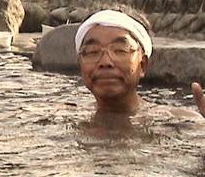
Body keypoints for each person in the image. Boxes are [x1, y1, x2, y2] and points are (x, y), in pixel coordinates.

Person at [74, 9, 205, 118]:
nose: (105, 62)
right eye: (92, 51)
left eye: (120, 50)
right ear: (80, 65)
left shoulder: (178, 120)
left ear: (142, 65)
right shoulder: (66, 116)